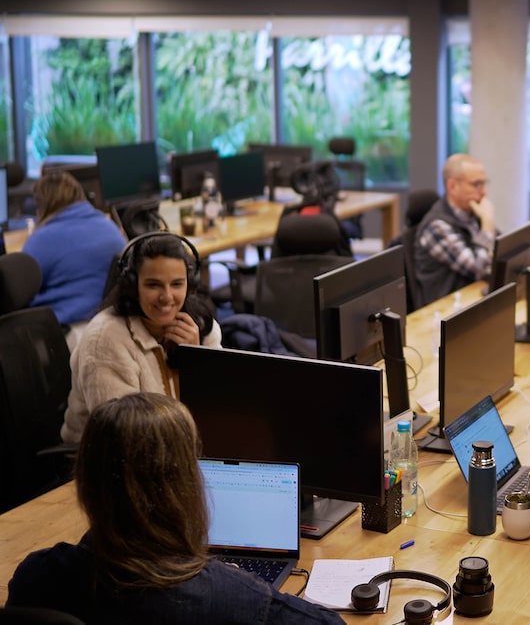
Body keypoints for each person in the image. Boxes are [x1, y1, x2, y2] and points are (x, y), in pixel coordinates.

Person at [8, 392, 346, 624]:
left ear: (86, 481)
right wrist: (240, 580)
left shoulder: (36, 577)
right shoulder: (232, 598)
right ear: (184, 486)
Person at [60, 232, 222, 444]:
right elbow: (123, 434)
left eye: (177, 284)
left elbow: (219, 410)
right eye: (153, 285)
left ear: (189, 285)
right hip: (110, 456)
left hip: (179, 448)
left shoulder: (199, 325)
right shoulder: (105, 340)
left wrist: (196, 361)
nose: (166, 297)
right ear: (133, 286)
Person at [20, 171, 126, 348]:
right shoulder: (108, 225)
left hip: (66, 335)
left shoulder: (42, 239)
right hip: (109, 327)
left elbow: (19, 292)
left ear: (42, 205)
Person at [414, 153, 497, 304]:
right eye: (476, 184)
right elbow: (478, 269)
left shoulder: (472, 213)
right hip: (446, 309)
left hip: (472, 298)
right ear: (452, 186)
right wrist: (487, 225)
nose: (484, 192)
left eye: (484, 183)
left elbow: (500, 254)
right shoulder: (437, 226)